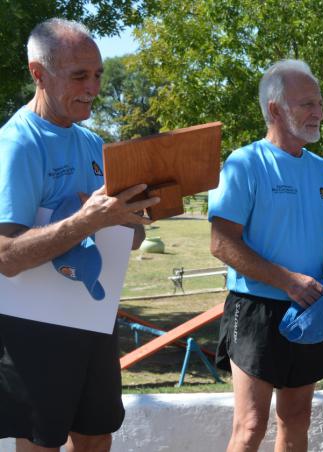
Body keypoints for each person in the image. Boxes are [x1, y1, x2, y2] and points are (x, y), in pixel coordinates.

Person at [0, 18, 158, 452]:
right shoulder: (18, 144)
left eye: (98, 75)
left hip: (92, 321)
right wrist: (86, 221)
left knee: (96, 438)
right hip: (34, 330)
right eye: (79, 76)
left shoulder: (93, 144)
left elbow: (129, 241)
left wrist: (133, 217)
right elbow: (7, 257)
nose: (93, 86)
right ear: (39, 74)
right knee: (41, 444)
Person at [208, 59, 323, 452]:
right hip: (256, 309)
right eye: (307, 104)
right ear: (275, 109)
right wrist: (288, 281)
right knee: (251, 426)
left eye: (319, 103)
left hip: (311, 309)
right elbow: (221, 243)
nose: (318, 112)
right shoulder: (244, 163)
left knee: (296, 418)